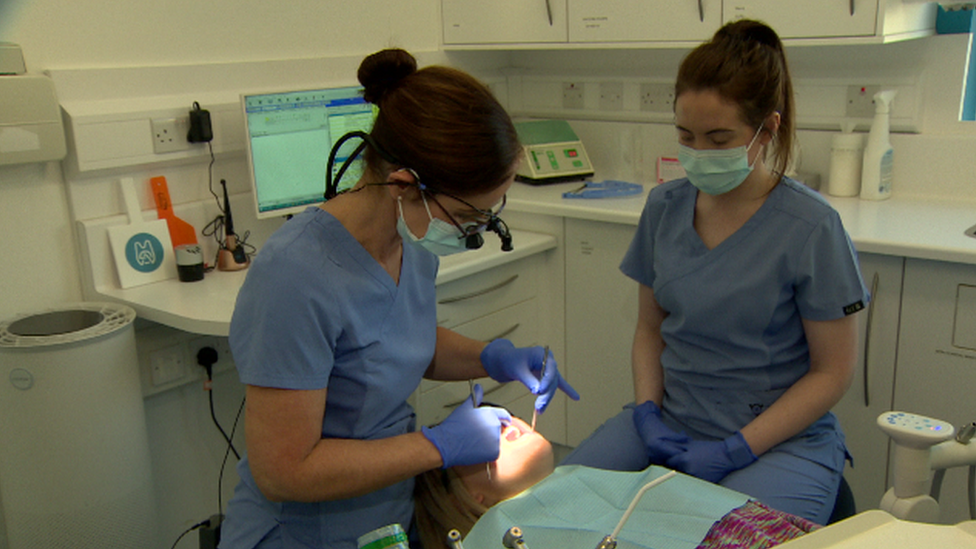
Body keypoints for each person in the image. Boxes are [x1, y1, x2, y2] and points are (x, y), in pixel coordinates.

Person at [219, 48, 578, 549]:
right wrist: (437, 446)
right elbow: (285, 471)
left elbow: (395, 341)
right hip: (305, 532)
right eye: (471, 219)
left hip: (388, 516)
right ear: (405, 185)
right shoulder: (294, 277)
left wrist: (491, 357)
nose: (477, 233)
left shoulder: (412, 241)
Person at [561, 20, 869, 526]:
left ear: (767, 129)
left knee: (707, 536)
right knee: (559, 513)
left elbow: (832, 373)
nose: (698, 152)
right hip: (671, 419)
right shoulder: (664, 207)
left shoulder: (811, 227)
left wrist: (735, 449)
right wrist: (645, 413)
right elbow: (649, 329)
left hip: (778, 441)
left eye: (719, 137)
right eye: (686, 136)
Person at [414, 410, 819, 549]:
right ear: (473, 497)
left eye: (498, 417)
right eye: (477, 441)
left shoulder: (580, 478)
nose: (502, 422)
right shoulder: (495, 532)